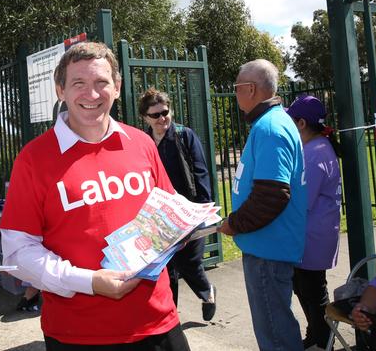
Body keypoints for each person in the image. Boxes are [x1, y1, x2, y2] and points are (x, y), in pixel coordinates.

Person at [0, 42, 190, 350]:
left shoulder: (141, 143)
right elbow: (18, 254)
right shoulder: (34, 159)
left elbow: (167, 212)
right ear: (60, 90)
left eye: (101, 82)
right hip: (77, 335)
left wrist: (187, 225)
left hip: (158, 324)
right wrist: (87, 282)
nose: (91, 94)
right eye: (79, 83)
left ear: (116, 87)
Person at [218, 59, 306, 351]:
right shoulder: (271, 123)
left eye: (237, 88)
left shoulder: (270, 128)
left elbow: (272, 195)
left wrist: (235, 223)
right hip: (266, 248)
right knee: (275, 327)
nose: (235, 94)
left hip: (267, 251)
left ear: (251, 89)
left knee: (276, 335)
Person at [138, 88, 216, 321]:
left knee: (189, 262)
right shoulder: (144, 141)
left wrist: (203, 209)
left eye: (165, 112)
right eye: (156, 115)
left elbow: (201, 172)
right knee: (166, 267)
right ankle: (169, 315)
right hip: (159, 215)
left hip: (188, 211)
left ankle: (208, 293)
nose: (163, 118)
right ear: (145, 118)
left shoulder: (184, 135)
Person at [286, 95, 342, 349]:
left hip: (311, 237)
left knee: (311, 290)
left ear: (301, 124)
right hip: (313, 235)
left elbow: (301, 200)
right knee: (305, 287)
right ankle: (317, 335)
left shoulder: (313, 152)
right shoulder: (317, 147)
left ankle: (321, 340)